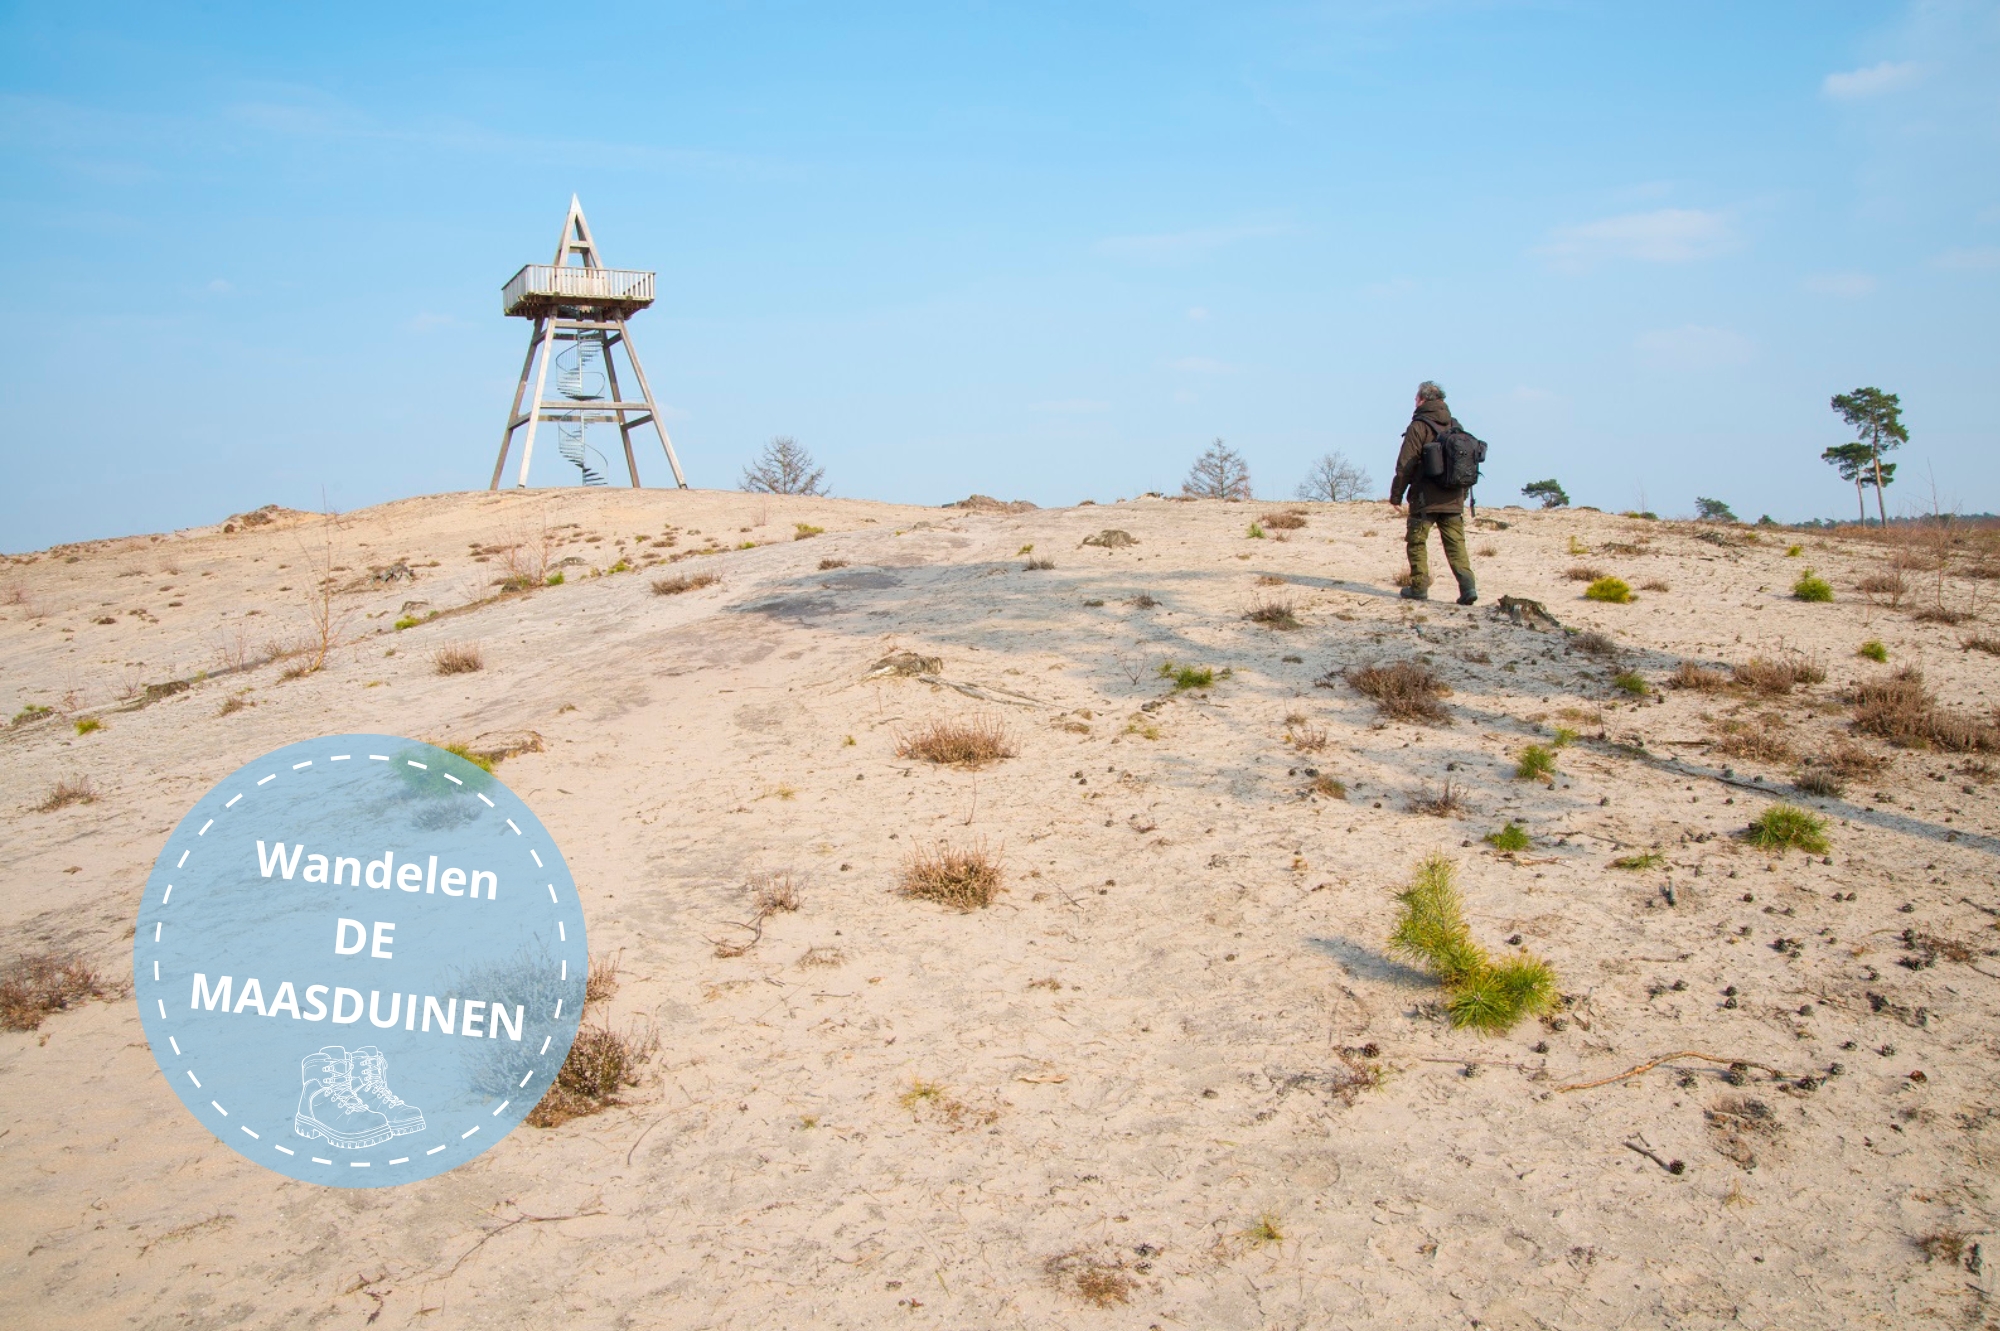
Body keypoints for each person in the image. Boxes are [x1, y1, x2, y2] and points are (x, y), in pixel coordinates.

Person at [1387, 380, 1477, 605]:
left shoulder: (1418, 426)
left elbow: (1405, 464)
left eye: (1416, 398)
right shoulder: (1455, 425)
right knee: (1456, 545)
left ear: (1422, 400)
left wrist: (1396, 495)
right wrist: (1462, 494)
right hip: (1454, 498)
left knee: (1417, 542)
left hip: (1424, 499)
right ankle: (1468, 588)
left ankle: (1419, 587)